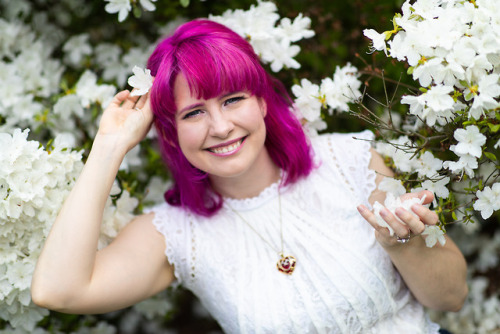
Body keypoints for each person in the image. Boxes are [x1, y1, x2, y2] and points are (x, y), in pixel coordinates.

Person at [31, 19, 468, 333]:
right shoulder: (177, 235)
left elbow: (451, 298)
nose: (220, 127)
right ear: (170, 130)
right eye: (194, 112)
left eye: (233, 99)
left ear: (261, 101)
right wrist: (109, 147)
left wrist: (403, 246)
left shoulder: (348, 161)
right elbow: (58, 291)